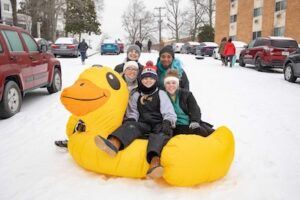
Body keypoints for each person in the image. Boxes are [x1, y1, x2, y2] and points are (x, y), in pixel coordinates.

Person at [94, 65, 177, 179]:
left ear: (156, 80)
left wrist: (168, 122)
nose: (148, 80)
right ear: (141, 80)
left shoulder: (161, 94)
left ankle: (154, 162)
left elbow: (169, 111)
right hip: (143, 123)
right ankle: (114, 144)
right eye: (145, 78)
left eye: (151, 78)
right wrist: (131, 120)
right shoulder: (136, 94)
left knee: (160, 135)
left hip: (159, 123)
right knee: (130, 125)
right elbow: (133, 111)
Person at [164, 69, 214, 137]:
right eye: (168, 83)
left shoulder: (186, 94)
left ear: (178, 84)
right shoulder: (162, 96)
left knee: (204, 132)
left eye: (173, 83)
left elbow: (195, 109)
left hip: (189, 122)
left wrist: (194, 121)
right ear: (164, 85)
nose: (171, 85)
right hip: (175, 125)